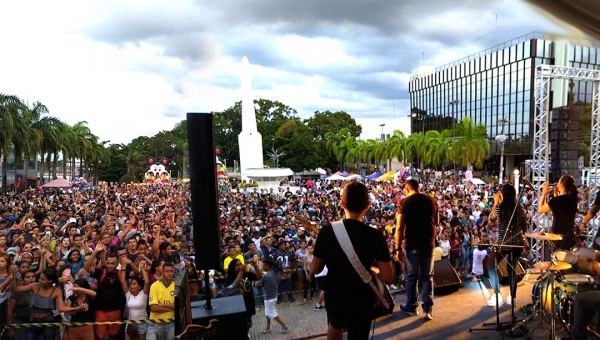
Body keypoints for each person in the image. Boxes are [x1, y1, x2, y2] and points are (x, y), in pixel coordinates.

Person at [312, 181, 393, 340]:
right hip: (362, 298)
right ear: (367, 205)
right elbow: (388, 277)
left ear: (342, 204)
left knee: (335, 324)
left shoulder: (327, 231)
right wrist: (372, 269)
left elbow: (315, 269)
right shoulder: (375, 235)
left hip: (335, 294)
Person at [395, 178, 438, 320]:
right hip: (429, 243)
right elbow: (436, 222)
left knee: (411, 277)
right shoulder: (432, 201)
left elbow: (400, 227)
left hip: (412, 245)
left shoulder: (404, 202)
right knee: (428, 276)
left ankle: (411, 307)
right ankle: (428, 310)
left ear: (407, 189)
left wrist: (397, 249)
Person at [488, 184, 528, 306]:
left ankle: (497, 294)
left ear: (503, 194)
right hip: (516, 243)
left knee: (490, 265)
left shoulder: (499, 207)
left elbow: (491, 220)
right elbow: (523, 227)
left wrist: (495, 202)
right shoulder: (519, 208)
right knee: (512, 269)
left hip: (502, 242)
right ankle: (512, 297)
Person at [539, 174, 579, 250]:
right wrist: (556, 195)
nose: (556, 184)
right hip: (569, 235)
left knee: (556, 259)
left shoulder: (557, 200)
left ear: (561, 184)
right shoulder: (573, 200)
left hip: (558, 236)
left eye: (558, 181)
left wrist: (544, 193)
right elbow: (561, 207)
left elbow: (541, 209)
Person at [257, 259, 289, 334]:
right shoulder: (276, 272)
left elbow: (257, 284)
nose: (262, 266)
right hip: (274, 295)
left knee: (271, 313)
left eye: (264, 265)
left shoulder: (266, 276)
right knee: (267, 312)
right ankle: (268, 327)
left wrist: (257, 277)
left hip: (269, 297)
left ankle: (284, 325)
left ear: (268, 266)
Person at [147, 262, 175, 340]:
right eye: (167, 271)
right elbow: (153, 308)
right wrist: (172, 307)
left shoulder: (176, 285)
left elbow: (179, 306)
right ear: (162, 272)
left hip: (171, 322)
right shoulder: (154, 286)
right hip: (155, 323)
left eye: (171, 271)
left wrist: (161, 305)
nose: (169, 273)